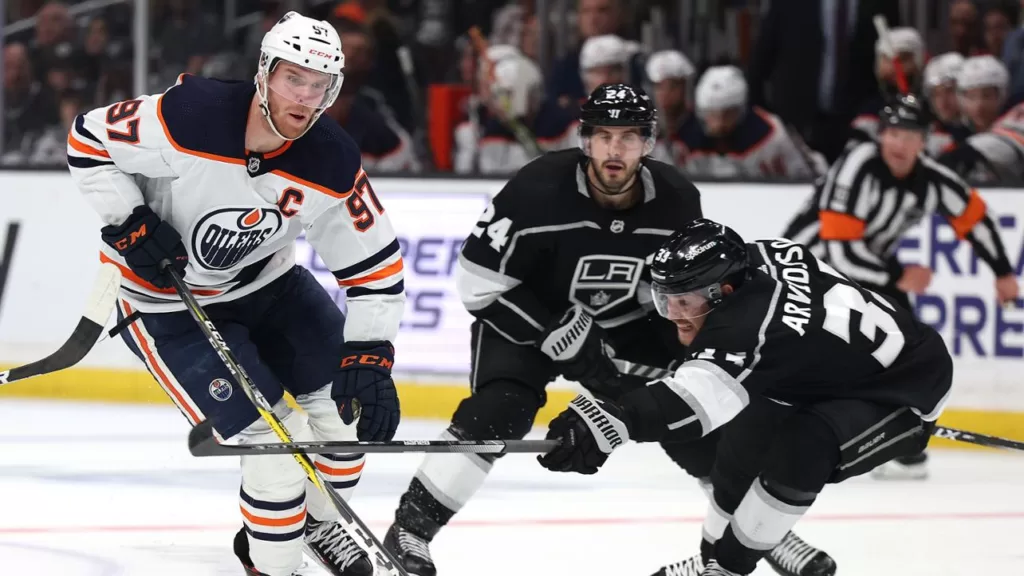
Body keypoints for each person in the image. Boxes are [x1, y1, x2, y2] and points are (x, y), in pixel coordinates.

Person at [382, 83, 835, 576]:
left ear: (648, 143)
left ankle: (755, 532)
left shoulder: (678, 200)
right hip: (526, 321)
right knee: (498, 412)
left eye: (628, 137)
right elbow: (476, 285)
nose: (615, 149)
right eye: (604, 136)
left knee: (686, 409)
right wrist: (550, 328)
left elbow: (690, 284)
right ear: (585, 140)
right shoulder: (535, 190)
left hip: (624, 324)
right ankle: (411, 528)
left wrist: (685, 339)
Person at [66, 11, 404, 576]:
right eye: (294, 78)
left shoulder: (332, 161)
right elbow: (88, 137)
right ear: (265, 72)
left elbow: (375, 268)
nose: (305, 96)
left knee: (343, 433)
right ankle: (269, 562)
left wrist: (370, 353)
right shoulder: (189, 116)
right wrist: (130, 222)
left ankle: (318, 524)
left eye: (320, 84)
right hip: (166, 305)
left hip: (271, 289)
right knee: (278, 450)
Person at [538, 218, 956, 576]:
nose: (675, 314)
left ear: (724, 292)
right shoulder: (759, 259)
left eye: (685, 302)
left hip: (904, 386)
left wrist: (612, 420)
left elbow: (690, 406)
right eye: (669, 300)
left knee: (804, 444)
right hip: (824, 373)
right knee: (741, 446)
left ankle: (728, 566)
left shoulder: (749, 328)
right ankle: (711, 561)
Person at [784, 93, 1018, 479]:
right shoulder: (857, 165)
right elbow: (839, 253)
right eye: (892, 133)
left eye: (910, 135)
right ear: (880, 136)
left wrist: (1003, 272)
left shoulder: (933, 180)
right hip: (806, 270)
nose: (900, 143)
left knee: (902, 347)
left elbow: (975, 219)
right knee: (832, 351)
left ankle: (891, 441)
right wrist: (898, 277)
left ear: (925, 141)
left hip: (867, 271)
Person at [678, 65, 826, 178]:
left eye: (727, 114)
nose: (719, 124)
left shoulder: (772, 135)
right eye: (712, 114)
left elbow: (807, 175)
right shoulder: (687, 140)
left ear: (741, 110)